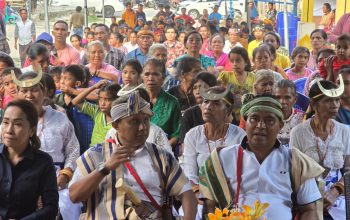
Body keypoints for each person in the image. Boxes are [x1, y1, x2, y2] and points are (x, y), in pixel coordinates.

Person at [69, 90, 197, 219]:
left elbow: (187, 193)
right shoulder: (95, 155)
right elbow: (75, 196)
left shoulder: (161, 157)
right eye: (134, 122)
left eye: (146, 120)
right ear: (116, 125)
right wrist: (105, 168)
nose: (142, 127)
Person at [200, 94, 324, 219]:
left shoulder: (295, 161)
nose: (260, 125)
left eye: (269, 120)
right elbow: (210, 206)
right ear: (245, 122)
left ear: (280, 126)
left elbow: (309, 209)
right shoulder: (223, 158)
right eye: (254, 119)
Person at [14, 70, 81, 219]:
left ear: (44, 91)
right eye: (24, 91)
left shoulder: (60, 118)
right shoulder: (10, 122)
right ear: (17, 93)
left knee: (69, 205)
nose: (29, 95)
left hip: (58, 181)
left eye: (34, 90)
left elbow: (73, 149)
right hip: (20, 184)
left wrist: (65, 174)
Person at [290, 79, 350, 219]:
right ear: (314, 104)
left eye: (337, 100)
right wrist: (311, 198)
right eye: (328, 101)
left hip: (338, 196)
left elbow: (349, 169)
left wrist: (335, 191)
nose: (335, 105)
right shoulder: (298, 132)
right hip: (306, 198)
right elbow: (294, 173)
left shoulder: (343, 131)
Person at [183, 86, 245, 219]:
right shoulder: (193, 135)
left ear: (228, 110)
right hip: (200, 196)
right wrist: (200, 195)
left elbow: (243, 173)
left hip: (233, 196)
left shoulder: (239, 136)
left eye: (216, 103)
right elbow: (190, 174)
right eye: (205, 101)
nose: (208, 107)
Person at [0, 99, 58, 220]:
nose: (9, 130)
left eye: (17, 124)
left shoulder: (43, 162)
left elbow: (51, 208)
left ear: (31, 130)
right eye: (5, 122)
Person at [143, 58, 181, 148]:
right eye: (147, 74)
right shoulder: (136, 98)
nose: (150, 78)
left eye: (155, 74)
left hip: (162, 151)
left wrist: (162, 149)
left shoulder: (172, 102)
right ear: (142, 77)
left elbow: (177, 134)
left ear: (163, 78)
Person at [71, 80, 121, 146]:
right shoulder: (97, 111)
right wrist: (93, 87)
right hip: (93, 153)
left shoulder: (121, 119)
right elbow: (75, 102)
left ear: (117, 100)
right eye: (100, 99)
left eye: (107, 99)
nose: (102, 103)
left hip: (110, 153)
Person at [218, 47, 254, 123]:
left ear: (246, 62)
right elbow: (217, 90)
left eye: (238, 61)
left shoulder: (253, 77)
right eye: (232, 61)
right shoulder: (225, 76)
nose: (234, 64)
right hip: (230, 117)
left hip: (248, 116)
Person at [275, 79, 304, 145]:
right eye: (278, 97)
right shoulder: (268, 118)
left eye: (287, 98)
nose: (282, 102)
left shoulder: (303, 119)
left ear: (295, 99)